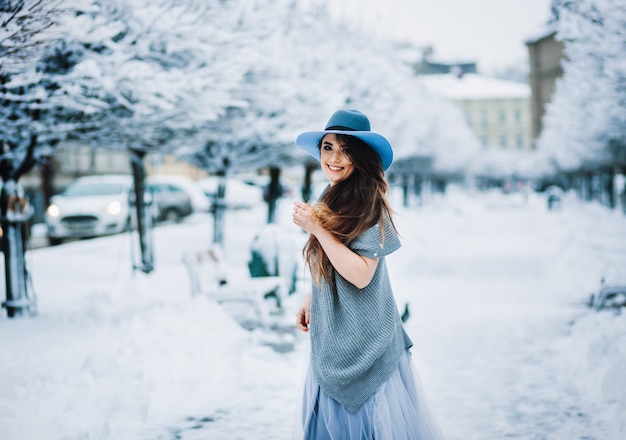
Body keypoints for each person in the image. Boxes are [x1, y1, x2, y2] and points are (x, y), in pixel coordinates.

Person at [292, 109, 444, 439]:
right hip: (334, 334)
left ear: (360, 157)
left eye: (345, 149)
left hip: (368, 337)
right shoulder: (329, 195)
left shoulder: (368, 203)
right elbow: (331, 259)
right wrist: (312, 296)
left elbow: (361, 274)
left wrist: (318, 228)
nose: (334, 157)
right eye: (328, 147)